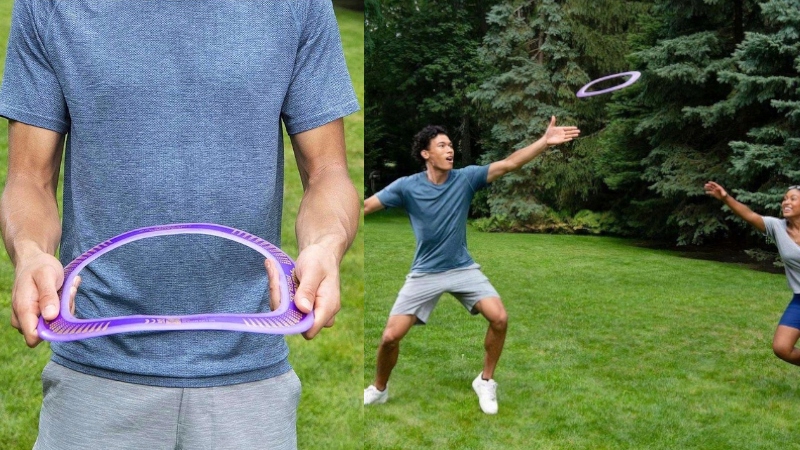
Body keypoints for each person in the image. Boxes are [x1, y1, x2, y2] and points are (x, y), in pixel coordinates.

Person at [0, 2, 359, 449]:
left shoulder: (298, 6)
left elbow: (328, 172)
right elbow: (28, 178)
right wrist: (31, 252)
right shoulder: (49, 6)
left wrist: (326, 244)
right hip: (93, 371)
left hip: (249, 374)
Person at [363, 117, 580, 414]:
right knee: (390, 337)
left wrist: (544, 142)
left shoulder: (465, 178)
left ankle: (485, 381)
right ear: (426, 154)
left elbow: (509, 164)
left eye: (451, 145)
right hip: (425, 272)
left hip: (462, 268)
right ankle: (379, 389)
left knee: (499, 318)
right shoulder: (407, 187)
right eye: (442, 145)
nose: (450, 150)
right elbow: (365, 206)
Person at [705, 181, 800, 366]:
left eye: (793, 199)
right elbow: (749, 215)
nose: (786, 202)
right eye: (784, 199)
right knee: (782, 347)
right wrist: (725, 197)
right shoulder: (777, 227)